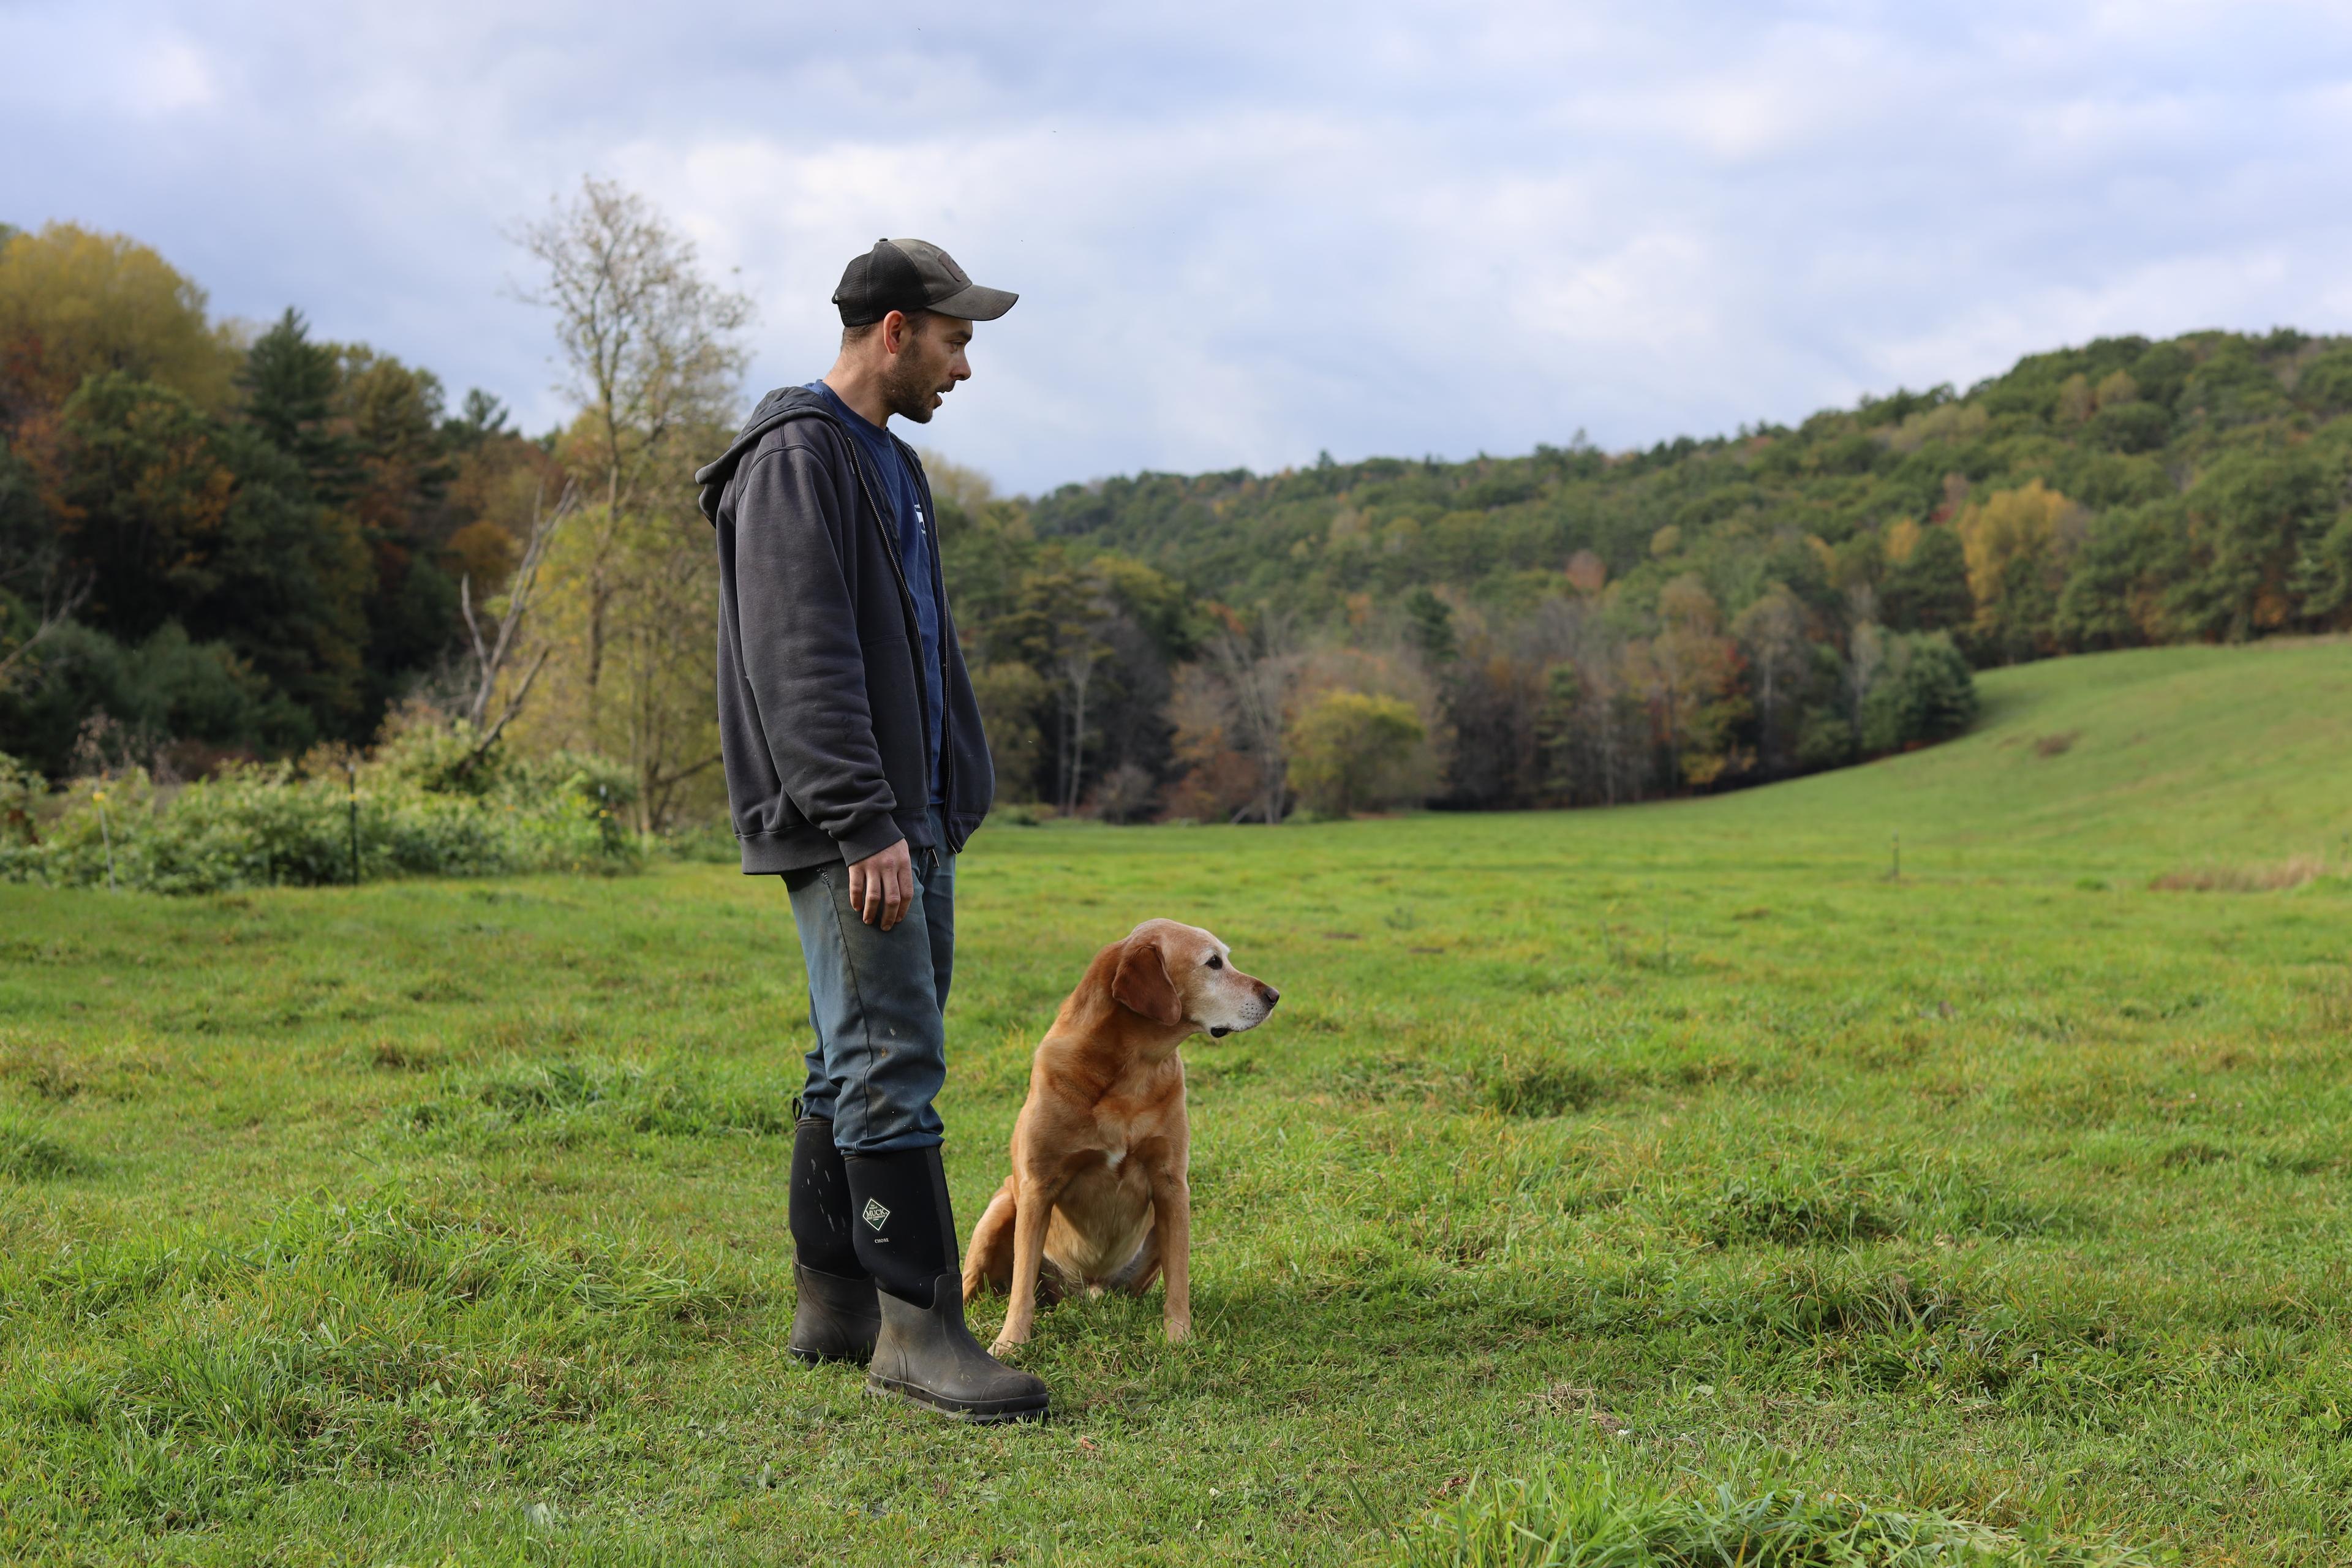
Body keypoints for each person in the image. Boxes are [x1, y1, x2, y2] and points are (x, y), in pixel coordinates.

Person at [694, 238, 1047, 1423]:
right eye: (955, 341)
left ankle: (834, 1306)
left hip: (908, 818)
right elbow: (801, 661)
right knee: (893, 1064)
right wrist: (865, 825)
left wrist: (945, 799)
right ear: (893, 331)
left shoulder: (885, 465)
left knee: (849, 1055)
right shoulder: (798, 460)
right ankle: (921, 1331)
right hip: (864, 827)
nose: (963, 366)